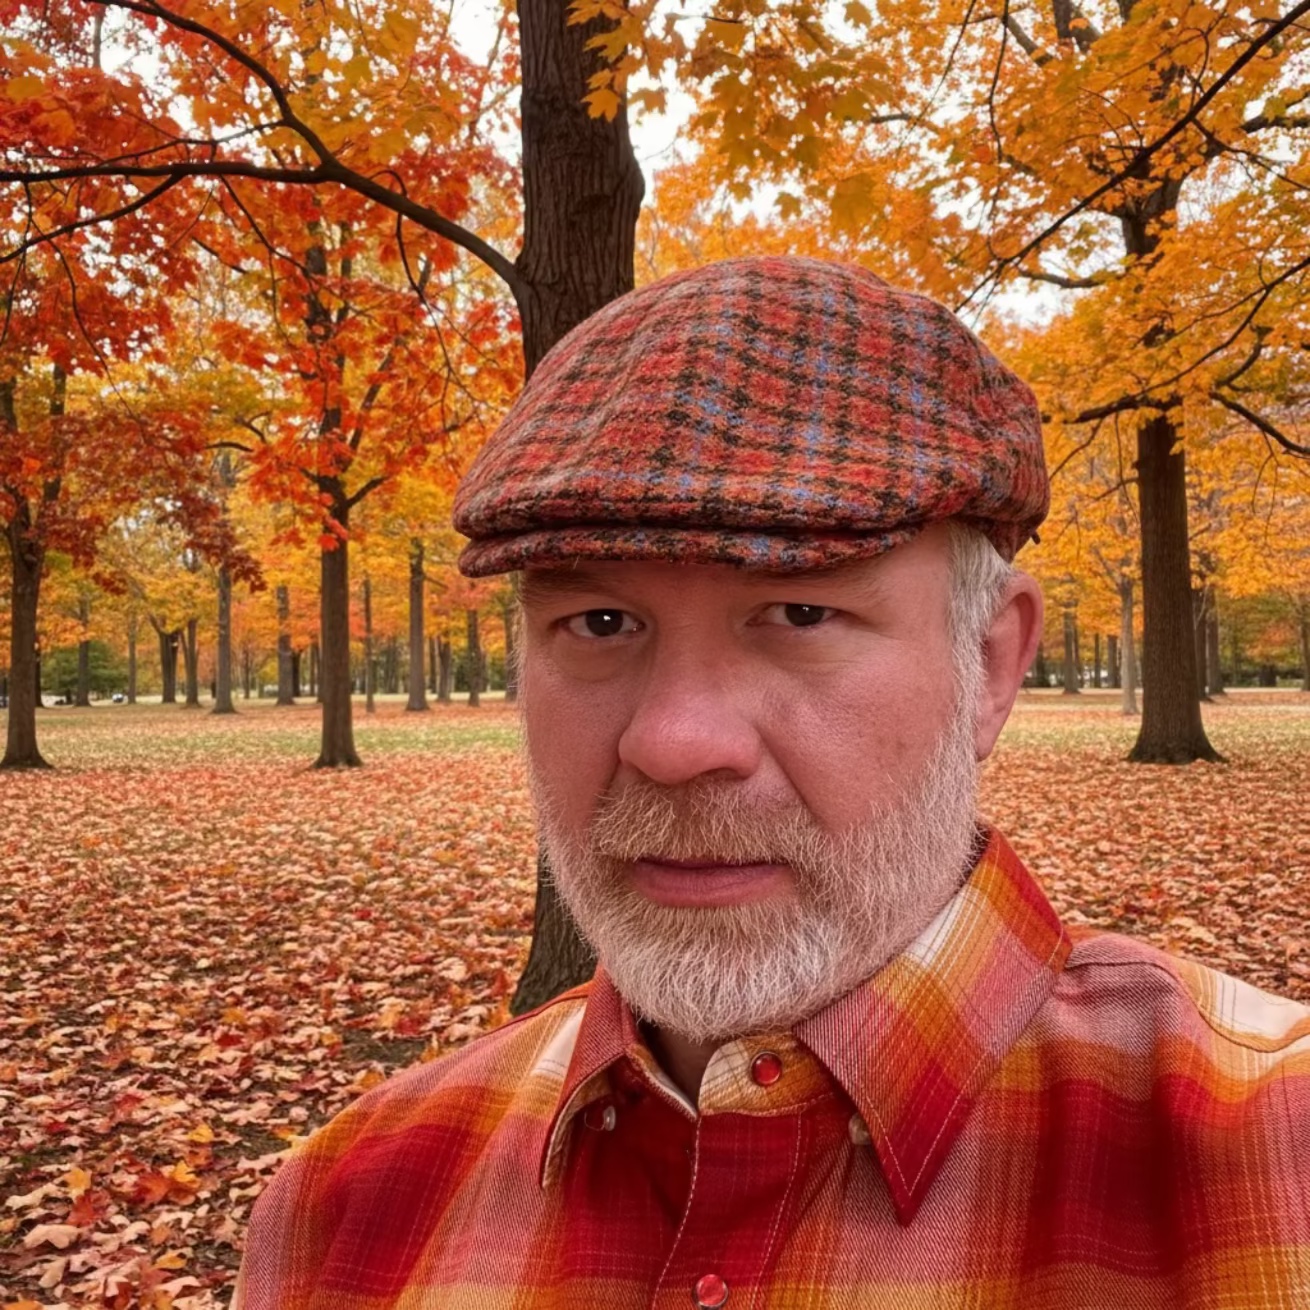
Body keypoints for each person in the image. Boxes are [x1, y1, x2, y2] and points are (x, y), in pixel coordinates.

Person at [234, 258, 1310, 1309]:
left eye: (798, 612)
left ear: (988, 662)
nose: (674, 741)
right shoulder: (348, 1207)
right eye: (598, 622)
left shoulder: (1274, 1161)